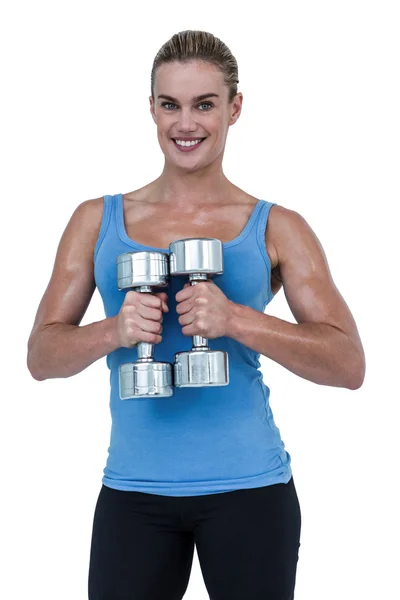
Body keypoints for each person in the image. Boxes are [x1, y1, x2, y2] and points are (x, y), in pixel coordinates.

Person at [27, 29, 365, 600]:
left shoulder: (278, 226)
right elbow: (41, 358)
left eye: (204, 104)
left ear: (234, 108)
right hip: (133, 493)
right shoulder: (96, 220)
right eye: (171, 105)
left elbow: (348, 364)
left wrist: (235, 320)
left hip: (250, 491)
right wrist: (114, 330)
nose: (186, 124)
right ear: (152, 109)